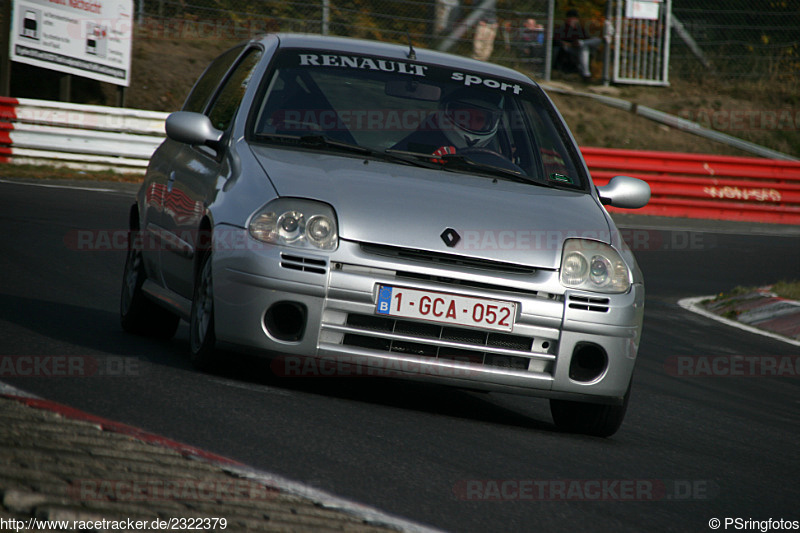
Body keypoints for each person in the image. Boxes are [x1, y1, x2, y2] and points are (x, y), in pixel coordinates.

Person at [552, 8, 602, 82]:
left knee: (594, 42)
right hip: (569, 48)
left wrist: (581, 43)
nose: (573, 19)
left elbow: (587, 38)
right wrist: (566, 43)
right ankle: (586, 74)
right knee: (584, 48)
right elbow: (556, 39)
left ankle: (586, 74)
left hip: (580, 48)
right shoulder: (562, 28)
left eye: (575, 18)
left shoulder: (580, 29)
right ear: (567, 18)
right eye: (571, 18)